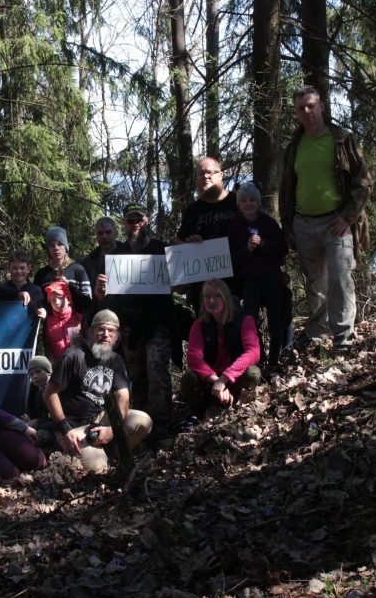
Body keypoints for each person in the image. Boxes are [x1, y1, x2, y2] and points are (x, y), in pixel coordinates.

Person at [279, 85, 372, 351]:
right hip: (303, 223)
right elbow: (286, 189)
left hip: (336, 222)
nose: (307, 112)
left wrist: (348, 217)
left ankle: (343, 339)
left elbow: (363, 182)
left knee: (340, 280)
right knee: (315, 284)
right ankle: (319, 339)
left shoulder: (342, 140)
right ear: (296, 113)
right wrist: (288, 226)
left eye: (311, 105)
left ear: (321, 106)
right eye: (301, 108)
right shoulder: (294, 146)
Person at [95, 203, 176, 427]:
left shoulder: (162, 249)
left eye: (139, 219)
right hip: (130, 325)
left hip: (157, 322)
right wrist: (101, 292)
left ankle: (161, 422)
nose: (135, 224)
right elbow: (107, 296)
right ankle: (140, 425)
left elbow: (181, 287)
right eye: (130, 220)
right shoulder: (116, 256)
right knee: (135, 374)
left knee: (156, 368)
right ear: (124, 224)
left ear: (146, 220)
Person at [43, 309, 152, 473]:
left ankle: (114, 452)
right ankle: (59, 444)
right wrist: (65, 428)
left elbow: (123, 396)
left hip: (102, 419)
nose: (105, 334)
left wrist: (112, 429)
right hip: (74, 426)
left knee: (144, 422)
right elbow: (49, 394)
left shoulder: (115, 360)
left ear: (117, 337)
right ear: (90, 331)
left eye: (111, 331)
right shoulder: (73, 356)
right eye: (101, 329)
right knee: (99, 470)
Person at [228, 181, 290, 370]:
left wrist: (262, 243)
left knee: (275, 319)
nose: (248, 204)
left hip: (272, 278)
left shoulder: (268, 223)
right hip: (250, 281)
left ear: (258, 202)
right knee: (250, 320)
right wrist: (247, 249)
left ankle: (275, 360)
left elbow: (283, 248)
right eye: (244, 200)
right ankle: (259, 359)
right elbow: (232, 259)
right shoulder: (234, 227)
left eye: (252, 200)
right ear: (239, 204)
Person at [180, 279, 262, 417]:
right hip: (211, 381)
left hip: (235, 378)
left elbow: (253, 352)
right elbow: (194, 357)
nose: (211, 300)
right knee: (188, 379)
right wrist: (216, 381)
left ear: (225, 297)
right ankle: (201, 412)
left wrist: (225, 378)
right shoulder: (199, 325)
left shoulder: (244, 319)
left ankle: (240, 406)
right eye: (207, 296)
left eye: (217, 296)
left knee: (252, 373)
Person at [175, 157, 238, 312]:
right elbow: (177, 242)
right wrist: (189, 245)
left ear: (221, 175)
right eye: (201, 174)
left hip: (237, 280)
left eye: (211, 172)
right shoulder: (193, 210)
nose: (206, 177)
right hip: (203, 285)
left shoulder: (238, 202)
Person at [32, 226, 92, 314]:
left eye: (60, 244)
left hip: (75, 325)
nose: (56, 248)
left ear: (66, 247)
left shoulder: (78, 270)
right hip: (50, 325)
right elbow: (36, 302)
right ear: (48, 249)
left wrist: (68, 286)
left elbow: (87, 302)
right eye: (52, 245)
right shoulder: (41, 274)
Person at [81, 216, 129, 308]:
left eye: (108, 232)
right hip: (99, 314)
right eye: (100, 233)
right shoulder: (87, 263)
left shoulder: (130, 256)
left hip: (126, 314)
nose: (104, 236)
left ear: (116, 233)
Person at [0, 249, 44, 316]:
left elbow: (40, 313)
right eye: (15, 268)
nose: (19, 271)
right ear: (9, 269)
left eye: (22, 268)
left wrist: (43, 313)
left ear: (28, 269)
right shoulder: (3, 289)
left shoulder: (36, 290)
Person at [42, 280, 83, 362]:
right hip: (57, 368)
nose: (57, 302)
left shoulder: (79, 318)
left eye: (60, 298)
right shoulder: (47, 322)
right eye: (53, 300)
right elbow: (46, 346)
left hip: (78, 365)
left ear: (68, 299)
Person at [25, 355, 52, 421]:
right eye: (31, 374)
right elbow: (44, 419)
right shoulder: (39, 393)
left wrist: (37, 424)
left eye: (38, 371)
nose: (35, 376)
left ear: (48, 372)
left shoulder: (58, 390)